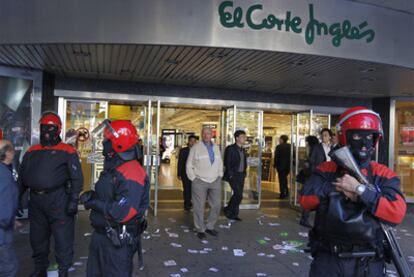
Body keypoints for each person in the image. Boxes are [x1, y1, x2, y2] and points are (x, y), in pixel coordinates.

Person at [300, 107, 407, 276]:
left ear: (375, 139)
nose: (364, 142)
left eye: (369, 137)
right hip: (329, 258)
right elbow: (306, 199)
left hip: (368, 260)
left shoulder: (382, 173)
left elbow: (396, 213)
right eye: (357, 136)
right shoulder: (326, 169)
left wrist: (360, 191)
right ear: (345, 137)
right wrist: (338, 186)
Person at [80, 120, 150, 277]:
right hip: (102, 236)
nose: (104, 143)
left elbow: (122, 211)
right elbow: (110, 194)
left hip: (117, 242)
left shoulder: (131, 171)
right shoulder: (115, 165)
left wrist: (94, 203)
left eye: (107, 140)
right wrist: (94, 195)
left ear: (118, 143)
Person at [18, 111, 83, 277]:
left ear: (58, 130)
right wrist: (17, 198)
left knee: (63, 239)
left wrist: (74, 200)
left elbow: (77, 178)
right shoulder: (32, 151)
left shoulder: (68, 151)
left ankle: (62, 271)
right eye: (43, 128)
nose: (47, 132)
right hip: (36, 202)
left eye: (51, 128)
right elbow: (22, 178)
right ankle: (40, 268)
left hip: (59, 200)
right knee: (37, 238)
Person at [186, 127, 223, 240]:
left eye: (209, 133)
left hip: (215, 180)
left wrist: (220, 175)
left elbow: (220, 162)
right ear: (202, 135)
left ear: (212, 135)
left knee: (216, 205)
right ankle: (200, 229)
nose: (207, 135)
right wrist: (193, 178)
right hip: (200, 181)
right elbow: (189, 164)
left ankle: (210, 226)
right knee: (199, 206)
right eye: (205, 133)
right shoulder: (196, 148)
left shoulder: (216, 147)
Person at [0, 140, 20, 277]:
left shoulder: (7, 170)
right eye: (12, 149)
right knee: (10, 268)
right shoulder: (4, 175)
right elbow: (4, 202)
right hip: (2, 232)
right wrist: (9, 221)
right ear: (7, 153)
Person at [223, 130, 247, 221]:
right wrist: (230, 175)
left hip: (241, 175)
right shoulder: (230, 148)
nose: (245, 138)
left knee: (237, 195)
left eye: (245, 137)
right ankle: (228, 209)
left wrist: (244, 173)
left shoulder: (242, 149)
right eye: (243, 137)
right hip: (234, 175)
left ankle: (234, 213)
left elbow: (243, 162)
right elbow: (227, 163)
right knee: (239, 195)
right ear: (237, 138)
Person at [298, 135, 319, 228]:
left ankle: (305, 217)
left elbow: (311, 162)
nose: (306, 143)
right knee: (310, 196)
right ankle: (304, 218)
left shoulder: (314, 148)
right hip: (313, 176)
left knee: (309, 196)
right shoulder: (315, 148)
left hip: (313, 176)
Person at [177, 135, 197, 211]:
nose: (193, 143)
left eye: (195, 141)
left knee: (194, 189)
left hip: (196, 174)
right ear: (188, 142)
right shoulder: (183, 151)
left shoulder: (198, 150)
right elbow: (180, 163)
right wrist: (179, 174)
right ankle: (187, 204)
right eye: (191, 141)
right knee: (187, 189)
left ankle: (191, 202)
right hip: (185, 173)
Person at [274, 135, 291, 199]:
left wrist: (275, 165)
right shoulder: (290, 146)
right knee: (285, 179)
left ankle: (282, 194)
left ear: (282, 139)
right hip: (288, 166)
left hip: (280, 166)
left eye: (279, 139)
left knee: (281, 180)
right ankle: (286, 192)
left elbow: (276, 156)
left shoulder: (279, 147)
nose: (279, 140)